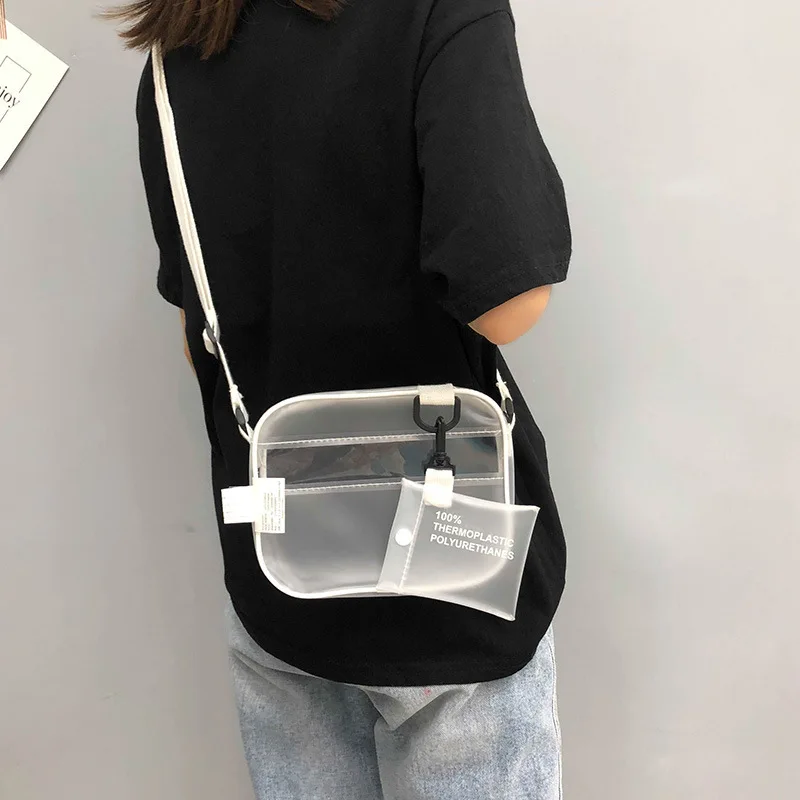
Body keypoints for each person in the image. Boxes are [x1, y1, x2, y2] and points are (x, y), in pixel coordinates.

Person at [113, 0, 571, 796]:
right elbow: (508, 302)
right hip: (452, 584)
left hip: (281, 575)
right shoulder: (438, 9)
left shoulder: (175, 47)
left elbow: (200, 338)